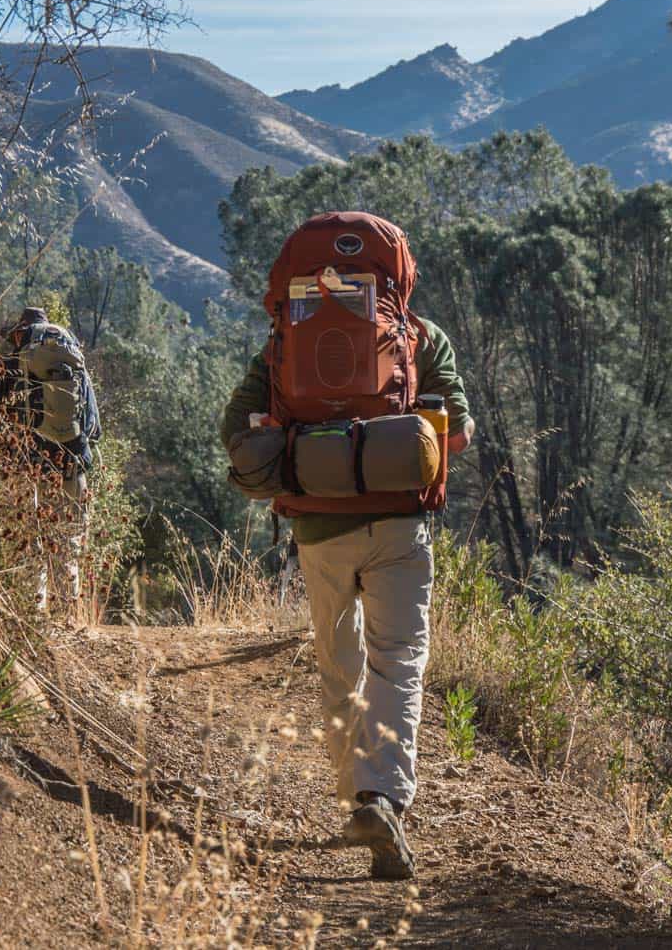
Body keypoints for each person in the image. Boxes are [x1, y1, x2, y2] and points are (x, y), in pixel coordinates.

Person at [221, 212, 473, 880]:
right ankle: (382, 795)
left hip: (319, 525)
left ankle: (355, 792)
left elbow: (236, 425)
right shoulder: (421, 338)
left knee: (340, 662)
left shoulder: (285, 339)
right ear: (399, 276)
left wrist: (314, 447)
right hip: (400, 524)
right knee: (398, 660)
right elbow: (458, 435)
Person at [0, 306, 101, 620]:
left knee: (30, 537)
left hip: (27, 460)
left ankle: (35, 614)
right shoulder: (75, 363)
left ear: (19, 330)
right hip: (72, 461)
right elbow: (93, 426)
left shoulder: (13, 360)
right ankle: (69, 614)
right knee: (68, 538)